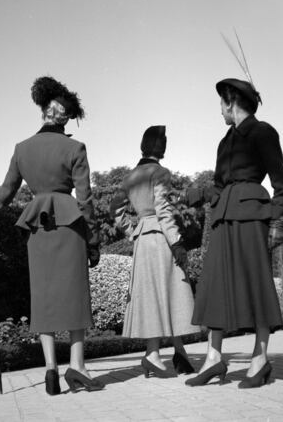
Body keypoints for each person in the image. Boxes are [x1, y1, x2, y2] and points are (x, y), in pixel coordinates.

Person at [0, 76, 104, 395]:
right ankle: (78, 366)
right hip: (70, 226)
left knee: (43, 298)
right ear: (64, 118)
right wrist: (93, 242)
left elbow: (6, 191)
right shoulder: (75, 147)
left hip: (38, 227)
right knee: (75, 294)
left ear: (44, 111)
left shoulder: (22, 149)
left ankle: (50, 371)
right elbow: (86, 200)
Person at [184, 78, 283, 388]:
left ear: (231, 102)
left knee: (256, 284)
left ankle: (260, 360)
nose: (220, 111)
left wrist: (279, 220)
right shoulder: (224, 142)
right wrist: (197, 193)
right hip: (223, 217)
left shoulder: (263, 132)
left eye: (221, 104)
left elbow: (281, 183)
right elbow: (219, 187)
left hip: (251, 217)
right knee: (216, 287)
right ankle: (213, 360)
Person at [110, 126, 200, 378]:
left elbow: (114, 210)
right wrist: (177, 242)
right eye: (162, 142)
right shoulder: (160, 172)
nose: (164, 146)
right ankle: (153, 354)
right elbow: (162, 208)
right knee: (170, 293)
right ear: (156, 147)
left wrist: (133, 231)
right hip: (161, 236)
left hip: (142, 240)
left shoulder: (129, 178)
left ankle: (176, 353)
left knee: (155, 297)